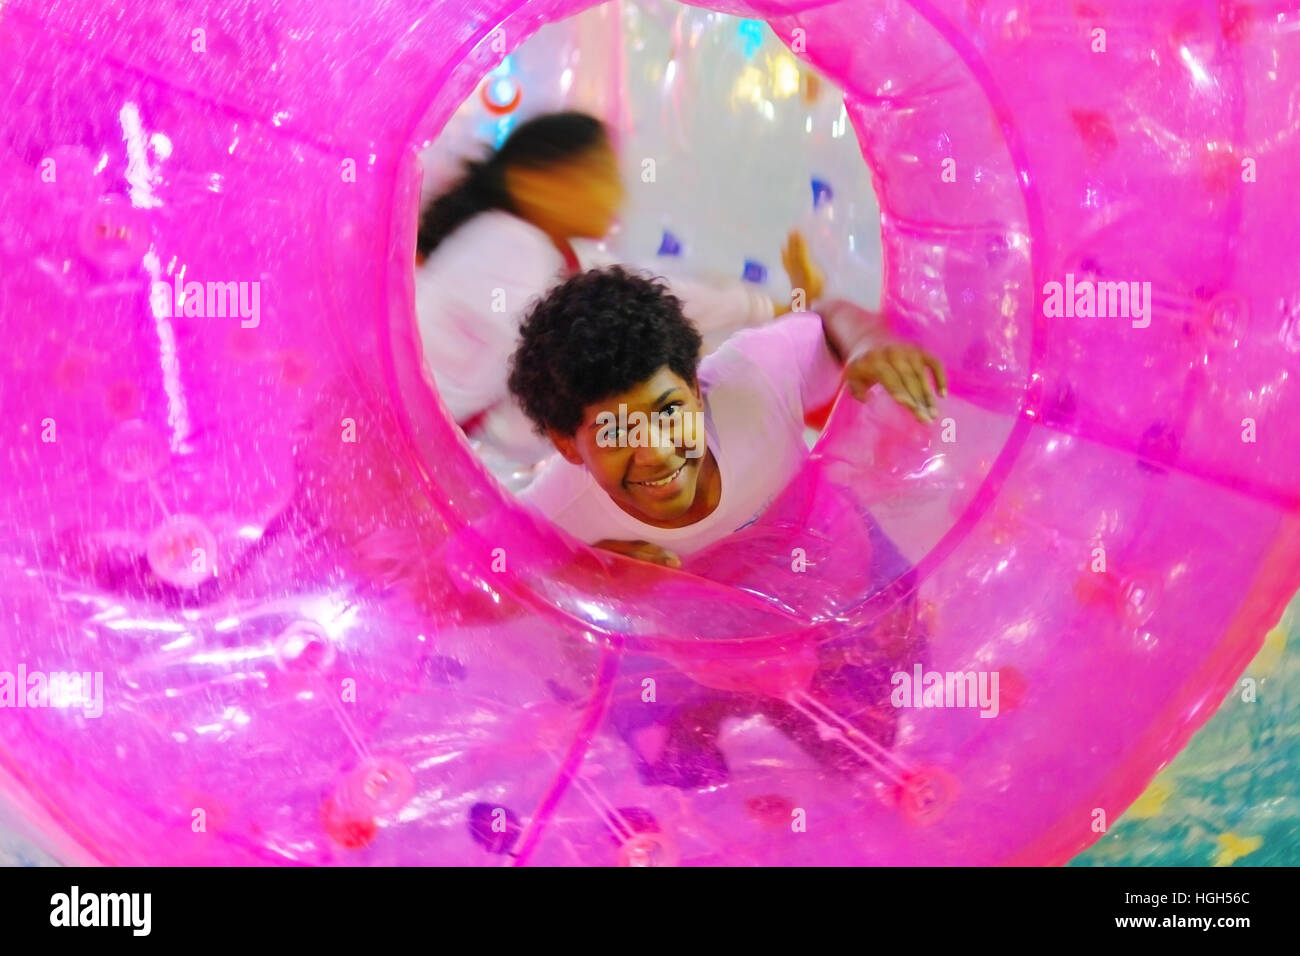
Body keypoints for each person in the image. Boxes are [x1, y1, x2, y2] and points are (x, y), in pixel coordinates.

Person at [414, 111, 823, 487]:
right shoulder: (509, 246)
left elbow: (663, 296)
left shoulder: (557, 253)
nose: (615, 192)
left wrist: (786, 307)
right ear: (534, 183)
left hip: (469, 463)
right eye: (599, 173)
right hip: (434, 462)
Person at [508, 266, 946, 567]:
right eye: (616, 431)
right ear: (568, 444)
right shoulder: (557, 512)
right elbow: (463, 582)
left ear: (697, 391)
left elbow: (827, 318)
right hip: (746, 642)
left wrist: (870, 341)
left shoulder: (751, 377)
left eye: (669, 411)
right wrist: (580, 570)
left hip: (846, 547)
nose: (656, 453)